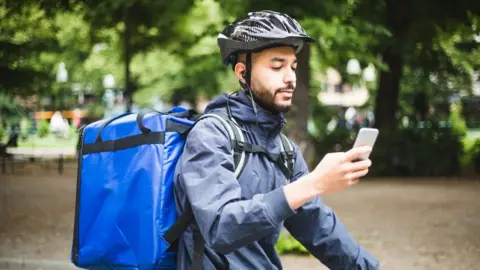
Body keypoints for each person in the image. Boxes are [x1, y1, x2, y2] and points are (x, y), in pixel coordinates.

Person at [174, 10, 380, 269]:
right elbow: (221, 227)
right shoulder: (211, 135)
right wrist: (313, 183)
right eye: (276, 66)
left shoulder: (286, 151)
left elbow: (318, 227)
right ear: (242, 73)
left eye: (293, 66)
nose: (290, 77)